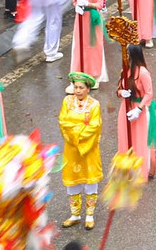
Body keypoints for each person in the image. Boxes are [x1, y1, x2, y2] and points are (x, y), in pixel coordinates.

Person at [58, 72, 103, 229]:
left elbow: (94, 126)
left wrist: (76, 134)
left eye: (81, 87)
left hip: (88, 149)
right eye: (75, 87)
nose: (77, 90)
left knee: (90, 181)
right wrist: (75, 135)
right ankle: (75, 214)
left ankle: (89, 215)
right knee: (73, 182)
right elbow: (63, 121)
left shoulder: (94, 105)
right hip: (71, 149)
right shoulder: (67, 101)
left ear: (88, 89)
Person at [116, 44, 156, 181]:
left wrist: (139, 108)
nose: (125, 57)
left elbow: (149, 93)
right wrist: (122, 92)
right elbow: (118, 89)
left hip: (139, 109)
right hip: (126, 108)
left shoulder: (143, 72)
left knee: (140, 139)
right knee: (125, 137)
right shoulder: (125, 70)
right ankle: (127, 168)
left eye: (127, 55)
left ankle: (141, 170)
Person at [70, 0, 107, 86]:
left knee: (94, 45)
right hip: (80, 18)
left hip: (93, 18)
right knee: (80, 44)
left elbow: (100, 4)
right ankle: (79, 72)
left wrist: (88, 4)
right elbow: (74, 0)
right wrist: (77, 6)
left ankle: (94, 74)